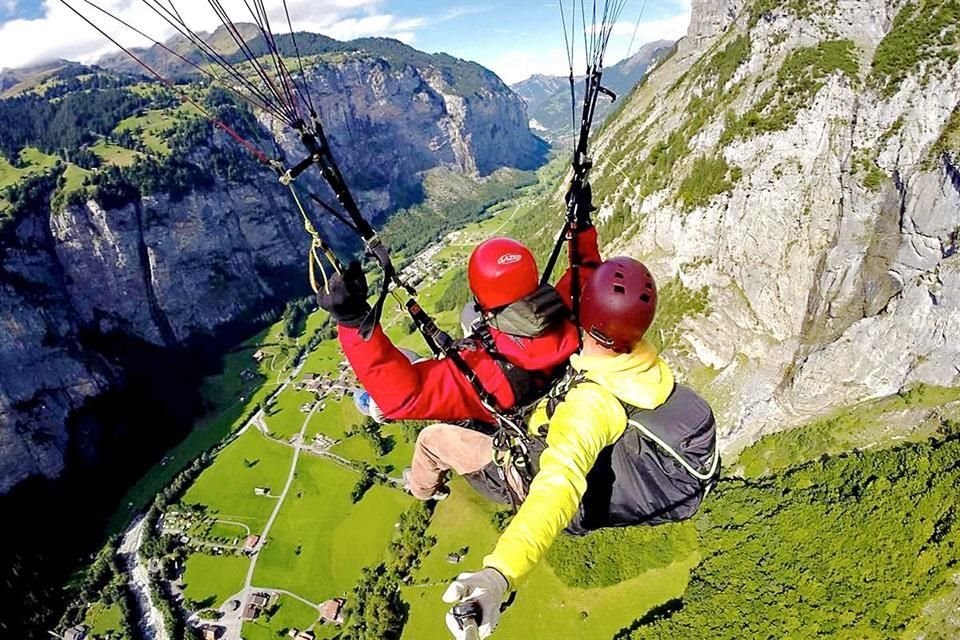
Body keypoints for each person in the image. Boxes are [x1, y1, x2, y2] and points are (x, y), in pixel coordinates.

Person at [440, 257, 720, 639]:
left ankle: (421, 484)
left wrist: (500, 573)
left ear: (584, 309)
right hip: (579, 434)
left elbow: (557, 486)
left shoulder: (591, 407)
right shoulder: (642, 362)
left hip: (534, 481)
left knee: (436, 440)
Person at [317, 223, 602, 500]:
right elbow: (586, 270)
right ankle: (371, 400)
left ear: (483, 297)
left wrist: (353, 321)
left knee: (429, 440)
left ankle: (422, 489)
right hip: (538, 391)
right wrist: (581, 229)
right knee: (463, 322)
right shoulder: (571, 309)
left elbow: (403, 399)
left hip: (515, 456)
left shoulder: (475, 370)